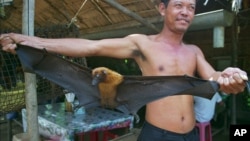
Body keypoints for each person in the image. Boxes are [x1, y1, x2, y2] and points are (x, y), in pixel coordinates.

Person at [0, 0, 248, 140]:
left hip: (191, 135)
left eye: (191, 7)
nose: (186, 12)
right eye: (179, 5)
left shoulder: (194, 51)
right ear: (162, 8)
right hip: (157, 135)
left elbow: (212, 76)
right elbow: (92, 47)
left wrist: (228, 76)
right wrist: (31, 41)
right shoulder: (142, 43)